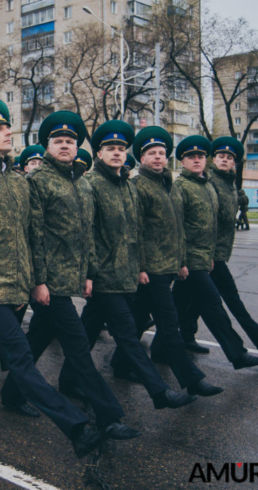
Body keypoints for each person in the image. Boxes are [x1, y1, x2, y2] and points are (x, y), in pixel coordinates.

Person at [0, 98, 103, 458]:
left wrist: (32, 282)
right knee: (21, 359)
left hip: (13, 287)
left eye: (7, 127)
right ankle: (76, 427)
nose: (7, 132)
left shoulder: (18, 182)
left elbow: (31, 237)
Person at [0, 110, 140, 440]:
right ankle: (108, 416)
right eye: (58, 141)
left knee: (35, 340)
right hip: (50, 283)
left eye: (71, 141)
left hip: (69, 279)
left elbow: (85, 233)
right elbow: (33, 235)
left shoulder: (76, 181)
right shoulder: (37, 182)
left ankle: (11, 394)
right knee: (77, 346)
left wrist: (87, 274)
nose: (65, 145)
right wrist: (38, 282)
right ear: (46, 145)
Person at [81, 120, 196, 409]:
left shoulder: (126, 186)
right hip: (105, 276)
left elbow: (135, 234)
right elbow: (87, 234)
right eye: (110, 148)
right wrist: (91, 274)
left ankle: (68, 379)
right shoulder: (91, 185)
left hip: (126, 275)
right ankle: (159, 392)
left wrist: (139, 268)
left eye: (121, 148)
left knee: (85, 333)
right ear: (98, 153)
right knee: (127, 335)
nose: (117, 153)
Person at [127, 126, 222, 396]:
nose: (157, 157)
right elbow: (137, 232)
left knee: (134, 322)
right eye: (151, 153)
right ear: (141, 158)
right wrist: (141, 267)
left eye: (161, 153)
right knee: (169, 324)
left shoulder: (169, 185)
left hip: (169, 265)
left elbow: (179, 229)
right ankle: (192, 380)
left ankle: (120, 363)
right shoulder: (138, 186)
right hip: (151, 269)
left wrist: (182, 262)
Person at [172, 136, 258, 369]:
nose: (224, 159)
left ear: (235, 164)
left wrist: (240, 197)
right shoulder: (207, 182)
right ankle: (238, 352)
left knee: (182, 302)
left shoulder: (226, 185)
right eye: (220, 156)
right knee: (221, 302)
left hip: (211, 254)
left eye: (229, 157)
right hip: (203, 256)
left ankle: (175, 341)